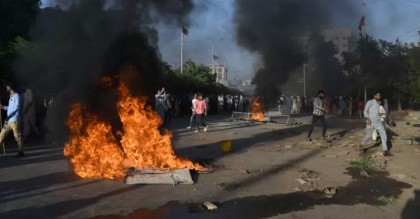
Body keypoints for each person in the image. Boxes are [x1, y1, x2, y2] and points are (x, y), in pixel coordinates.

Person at [361, 91, 391, 156]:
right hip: (370, 122)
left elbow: (379, 113)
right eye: (378, 95)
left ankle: (385, 150)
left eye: (379, 95)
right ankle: (362, 144)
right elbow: (365, 111)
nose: (379, 97)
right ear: (374, 96)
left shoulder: (379, 103)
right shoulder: (370, 102)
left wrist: (386, 119)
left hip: (378, 122)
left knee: (384, 134)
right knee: (369, 135)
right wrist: (368, 118)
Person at [0, 84, 24, 157]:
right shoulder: (11, 97)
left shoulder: (17, 96)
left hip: (14, 120)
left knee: (17, 136)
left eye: (7, 86)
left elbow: (16, 108)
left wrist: (9, 116)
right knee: (1, 135)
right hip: (9, 120)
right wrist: (3, 107)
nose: (6, 88)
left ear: (11, 88)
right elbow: (10, 108)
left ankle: (21, 151)